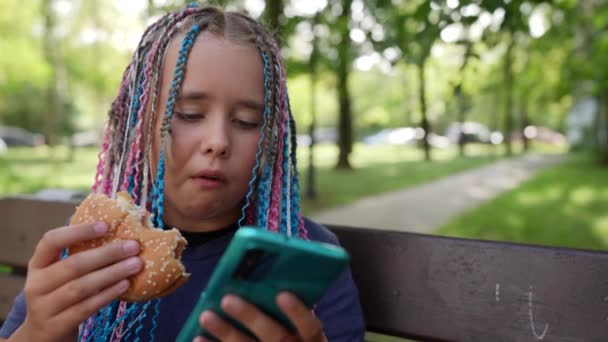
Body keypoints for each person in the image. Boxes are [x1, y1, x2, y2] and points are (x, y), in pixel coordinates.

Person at [0, 3, 365, 342]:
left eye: (246, 121)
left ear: (270, 138)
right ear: (139, 127)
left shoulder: (306, 260)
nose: (218, 141)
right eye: (190, 114)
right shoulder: (90, 250)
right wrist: (35, 332)